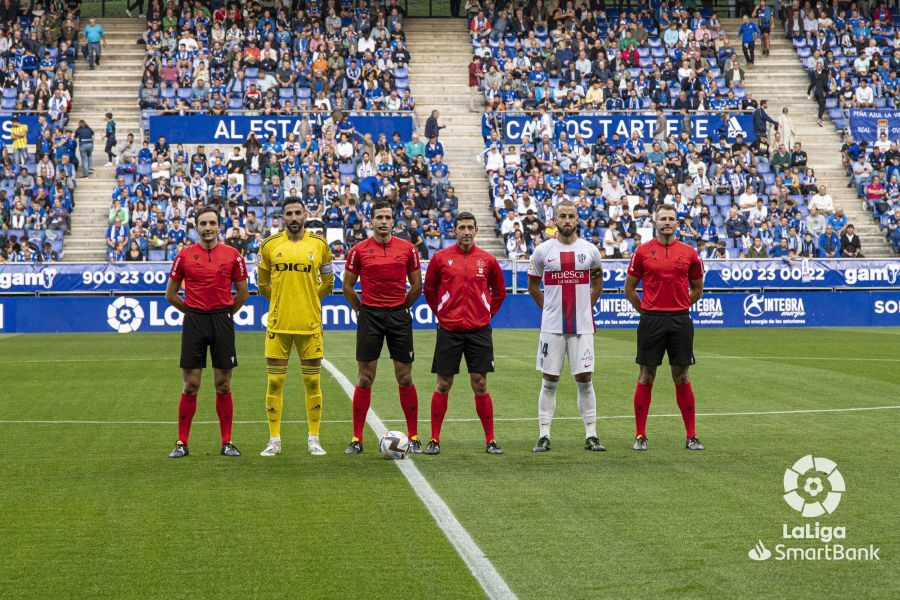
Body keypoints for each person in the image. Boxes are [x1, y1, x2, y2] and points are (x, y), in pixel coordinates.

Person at [165, 206, 250, 458]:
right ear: (196, 227)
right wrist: (192, 311)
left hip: (222, 321)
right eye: (203, 223)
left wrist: (224, 314)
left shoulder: (232, 255)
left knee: (223, 384)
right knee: (191, 385)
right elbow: (170, 294)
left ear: (219, 226)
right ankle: (181, 442)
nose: (208, 228)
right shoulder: (184, 255)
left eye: (212, 223)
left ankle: (227, 442)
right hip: (194, 322)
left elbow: (243, 293)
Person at [342, 201, 423, 455]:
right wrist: (362, 311)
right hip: (370, 317)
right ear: (371, 221)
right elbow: (347, 286)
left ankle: (414, 436)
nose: (384, 221)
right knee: (365, 378)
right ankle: (356, 438)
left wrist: (400, 307)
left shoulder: (408, 249)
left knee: (405, 377)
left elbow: (416, 286)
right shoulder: (359, 250)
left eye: (388, 217)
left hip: (398, 316)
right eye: (379, 217)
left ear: (393, 221)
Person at [422, 212, 507, 455]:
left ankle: (490, 440)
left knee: (480, 384)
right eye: (462, 227)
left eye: (470, 227)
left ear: (477, 230)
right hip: (449, 330)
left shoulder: (488, 260)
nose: (466, 231)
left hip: (479, 331)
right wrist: (442, 314)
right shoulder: (440, 258)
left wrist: (487, 314)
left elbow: (499, 291)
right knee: (443, 383)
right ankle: (434, 439)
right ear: (454, 230)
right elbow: (430, 290)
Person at [624, 204, 705, 452]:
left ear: (677, 223)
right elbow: (629, 289)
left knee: (681, 376)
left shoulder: (689, 252)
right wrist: (647, 311)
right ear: (655, 222)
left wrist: (679, 306)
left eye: (671, 219)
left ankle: (691, 435)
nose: (667, 222)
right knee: (646, 376)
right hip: (651, 321)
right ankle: (640, 435)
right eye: (663, 219)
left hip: (680, 320)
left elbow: (697, 290)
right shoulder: (642, 252)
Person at [256, 200, 334, 457]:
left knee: (312, 381)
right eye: (288, 213)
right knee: (275, 381)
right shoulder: (269, 245)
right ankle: (274, 439)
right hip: (279, 323)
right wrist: (280, 302)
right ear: (282, 217)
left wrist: (309, 299)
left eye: (297, 213)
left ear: (305, 215)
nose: (293, 217)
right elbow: (263, 283)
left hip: (309, 324)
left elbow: (329, 281)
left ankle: (314, 438)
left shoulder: (320, 245)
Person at [527, 201, 605, 453]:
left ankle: (591, 435)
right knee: (549, 380)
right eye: (563, 216)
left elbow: (597, 285)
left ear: (578, 219)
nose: (567, 220)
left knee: (585, 378)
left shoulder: (591, 251)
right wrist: (549, 311)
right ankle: (544, 435)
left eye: (572, 216)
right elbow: (532, 287)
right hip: (552, 327)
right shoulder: (542, 251)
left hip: (582, 327)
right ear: (555, 220)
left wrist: (584, 310)